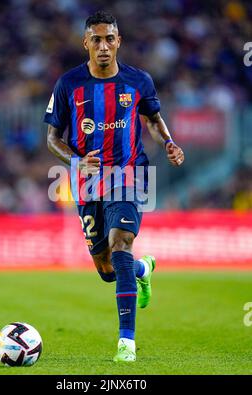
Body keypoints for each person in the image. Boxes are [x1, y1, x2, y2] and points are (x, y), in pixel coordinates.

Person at [45, 10, 184, 362]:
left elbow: (153, 118)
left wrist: (167, 141)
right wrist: (76, 161)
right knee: (108, 269)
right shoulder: (68, 84)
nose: (103, 46)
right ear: (86, 43)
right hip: (87, 182)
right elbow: (52, 138)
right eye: (96, 39)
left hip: (128, 175)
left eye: (110, 39)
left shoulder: (139, 81)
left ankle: (126, 343)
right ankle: (142, 269)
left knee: (121, 244)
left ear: (118, 41)